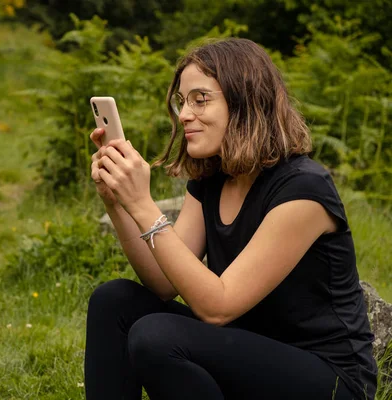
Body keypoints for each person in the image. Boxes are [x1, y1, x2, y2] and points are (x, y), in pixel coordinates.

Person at [84, 38, 378, 400]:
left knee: (157, 335)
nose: (185, 114)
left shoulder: (304, 188)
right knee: (114, 300)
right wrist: (118, 203)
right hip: (246, 350)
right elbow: (163, 283)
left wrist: (144, 204)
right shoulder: (212, 178)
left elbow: (217, 307)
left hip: (328, 378)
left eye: (200, 99)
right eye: (182, 101)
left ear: (245, 101)